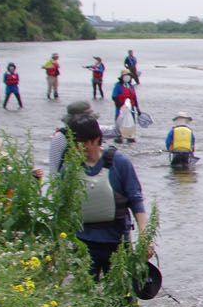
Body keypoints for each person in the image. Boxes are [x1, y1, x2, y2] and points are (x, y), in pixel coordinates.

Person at [63, 117, 150, 283]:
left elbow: (136, 200)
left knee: (123, 296)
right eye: (73, 143)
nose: (76, 148)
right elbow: (63, 207)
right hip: (83, 243)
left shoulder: (120, 162)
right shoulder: (70, 168)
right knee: (84, 296)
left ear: (95, 139)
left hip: (116, 241)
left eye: (81, 143)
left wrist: (145, 238)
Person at [48, 101, 95, 171]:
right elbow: (53, 169)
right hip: (68, 179)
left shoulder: (95, 132)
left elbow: (114, 131)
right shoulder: (60, 137)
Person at [111, 73, 140, 140]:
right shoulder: (118, 86)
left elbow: (134, 98)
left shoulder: (131, 86)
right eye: (126, 76)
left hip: (131, 110)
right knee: (119, 128)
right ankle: (119, 139)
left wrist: (138, 109)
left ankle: (130, 138)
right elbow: (114, 97)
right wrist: (122, 106)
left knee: (130, 127)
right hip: (121, 110)